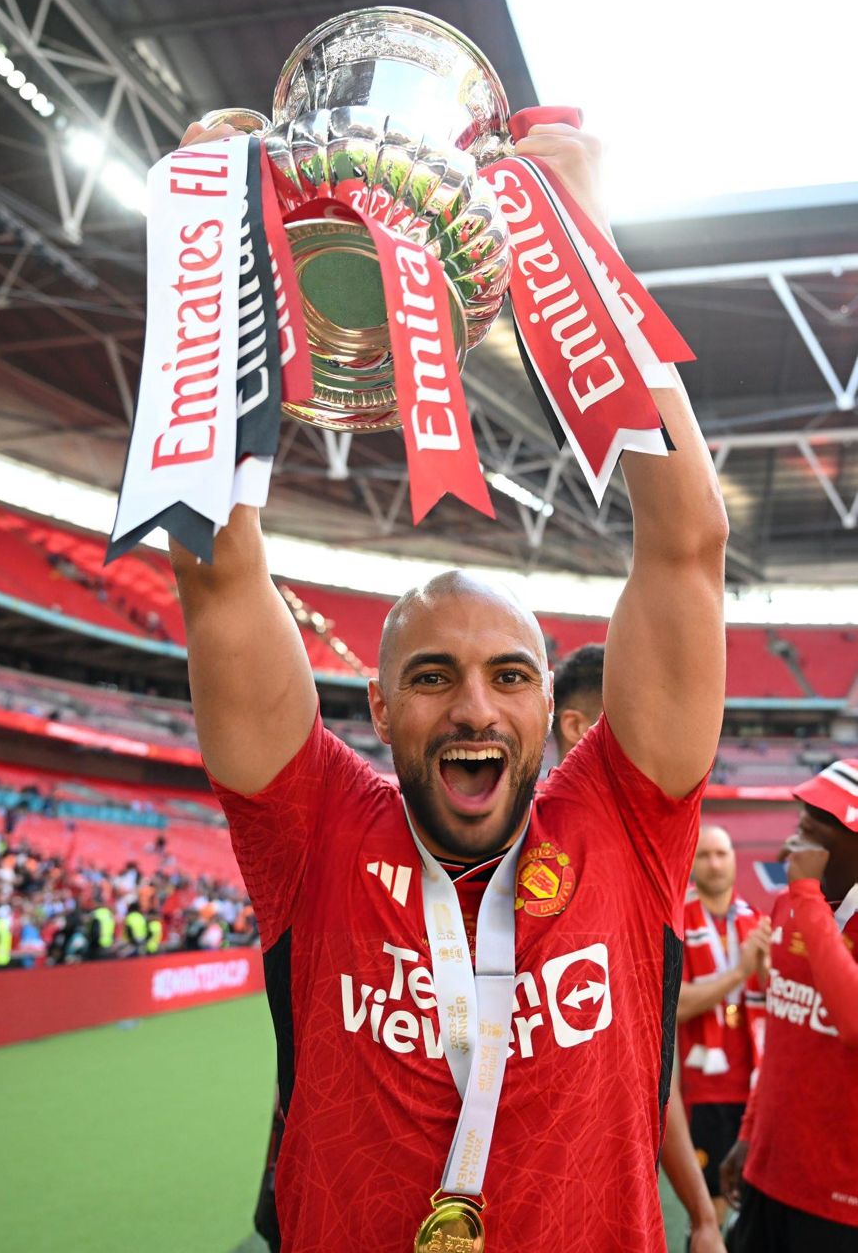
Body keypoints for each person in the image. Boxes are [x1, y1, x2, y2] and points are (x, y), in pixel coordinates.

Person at [172, 115, 728, 1252]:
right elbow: (219, 577)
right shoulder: (315, 826)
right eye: (432, 677)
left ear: (549, 708)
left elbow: (686, 545)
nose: (475, 707)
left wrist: (586, 252)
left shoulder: (624, 819)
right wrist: (213, 256)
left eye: (509, 675)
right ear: (379, 709)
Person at [554, 646, 725, 1253]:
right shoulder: (522, 862)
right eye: (634, 722)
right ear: (577, 727)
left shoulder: (643, 861)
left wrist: (702, 1217)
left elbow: (648, 1066)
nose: (663, 742)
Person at [720, 760, 858, 1251]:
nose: (795, 845)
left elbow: (852, 1021)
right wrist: (751, 1133)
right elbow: (782, 1037)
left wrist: (806, 894)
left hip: (840, 1200)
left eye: (814, 831)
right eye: (799, 824)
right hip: (770, 1174)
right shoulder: (789, 905)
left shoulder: (801, 899)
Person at [677, 828, 770, 1227]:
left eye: (721, 854)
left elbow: (778, 1001)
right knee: (710, 1212)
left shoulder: (759, 922)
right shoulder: (677, 922)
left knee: (758, 1211)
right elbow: (676, 1007)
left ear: (734, 858)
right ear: (691, 862)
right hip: (706, 1090)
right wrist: (739, 973)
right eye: (705, 855)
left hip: (758, 1088)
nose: (715, 864)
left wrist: (765, 972)